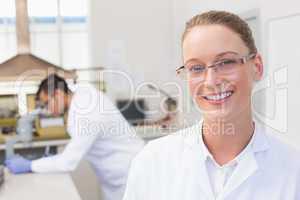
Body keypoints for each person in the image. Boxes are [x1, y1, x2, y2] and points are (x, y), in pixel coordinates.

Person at [123, 11, 300, 200]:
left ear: (256, 67)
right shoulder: (152, 161)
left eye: (226, 62)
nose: (211, 81)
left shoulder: (293, 170)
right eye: (196, 68)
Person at [5, 74, 145, 200]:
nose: (47, 109)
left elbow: (68, 162)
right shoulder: (82, 98)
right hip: (116, 175)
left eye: (47, 103)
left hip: (130, 174)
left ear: (58, 94)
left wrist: (30, 165)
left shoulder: (85, 111)